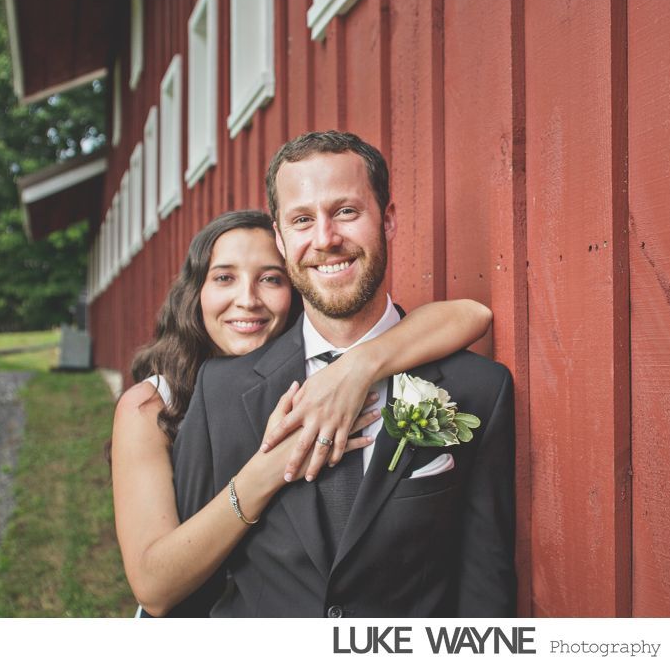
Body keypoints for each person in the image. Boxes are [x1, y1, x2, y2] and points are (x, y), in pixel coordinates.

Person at [172, 130, 516, 617]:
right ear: (280, 237)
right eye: (302, 220)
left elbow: (485, 589)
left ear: (388, 220)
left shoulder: (479, 389)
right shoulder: (221, 391)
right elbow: (194, 591)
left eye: (346, 212)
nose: (326, 239)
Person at [111, 210, 492, 617]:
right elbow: (154, 588)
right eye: (224, 278)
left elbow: (472, 315)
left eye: (271, 279)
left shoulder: (319, 379)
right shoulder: (150, 405)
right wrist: (269, 469)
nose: (248, 299)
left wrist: (357, 365)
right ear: (195, 291)